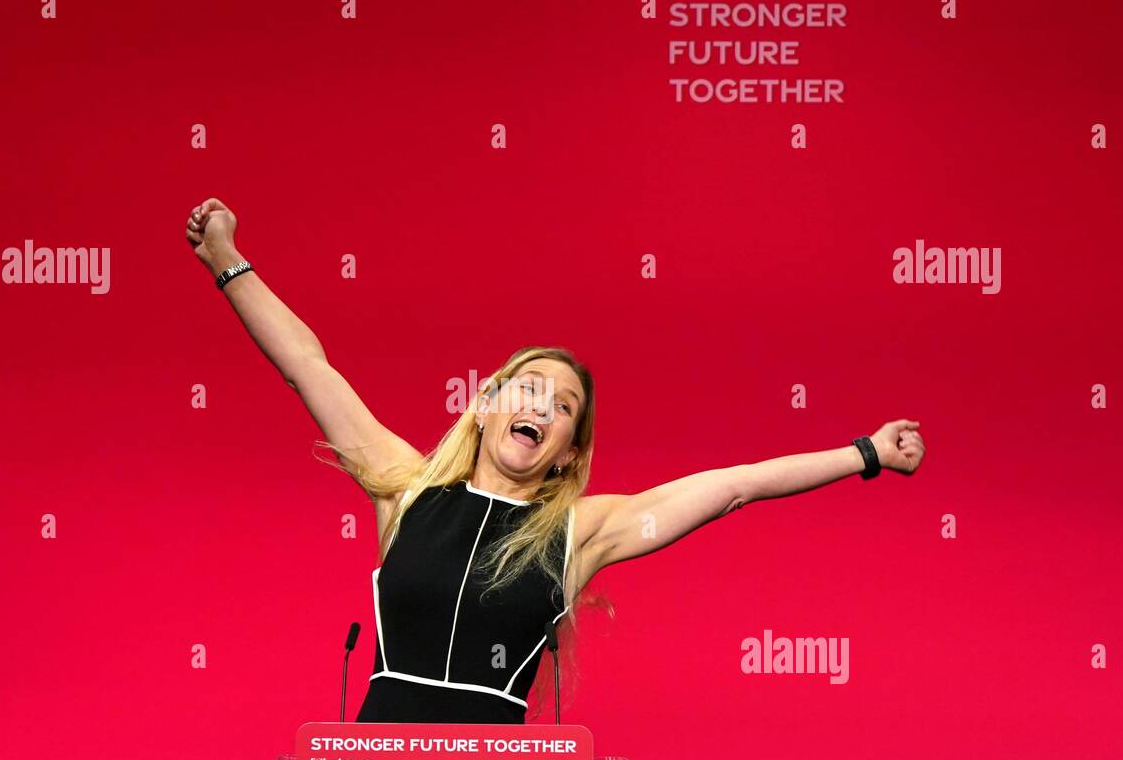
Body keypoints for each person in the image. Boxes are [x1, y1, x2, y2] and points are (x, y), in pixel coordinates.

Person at [185, 198, 927, 724]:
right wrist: (227, 260)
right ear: (485, 407)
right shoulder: (404, 491)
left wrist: (863, 454)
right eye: (529, 389)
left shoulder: (577, 532)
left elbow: (731, 488)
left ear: (569, 451)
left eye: (563, 405)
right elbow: (309, 368)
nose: (542, 407)